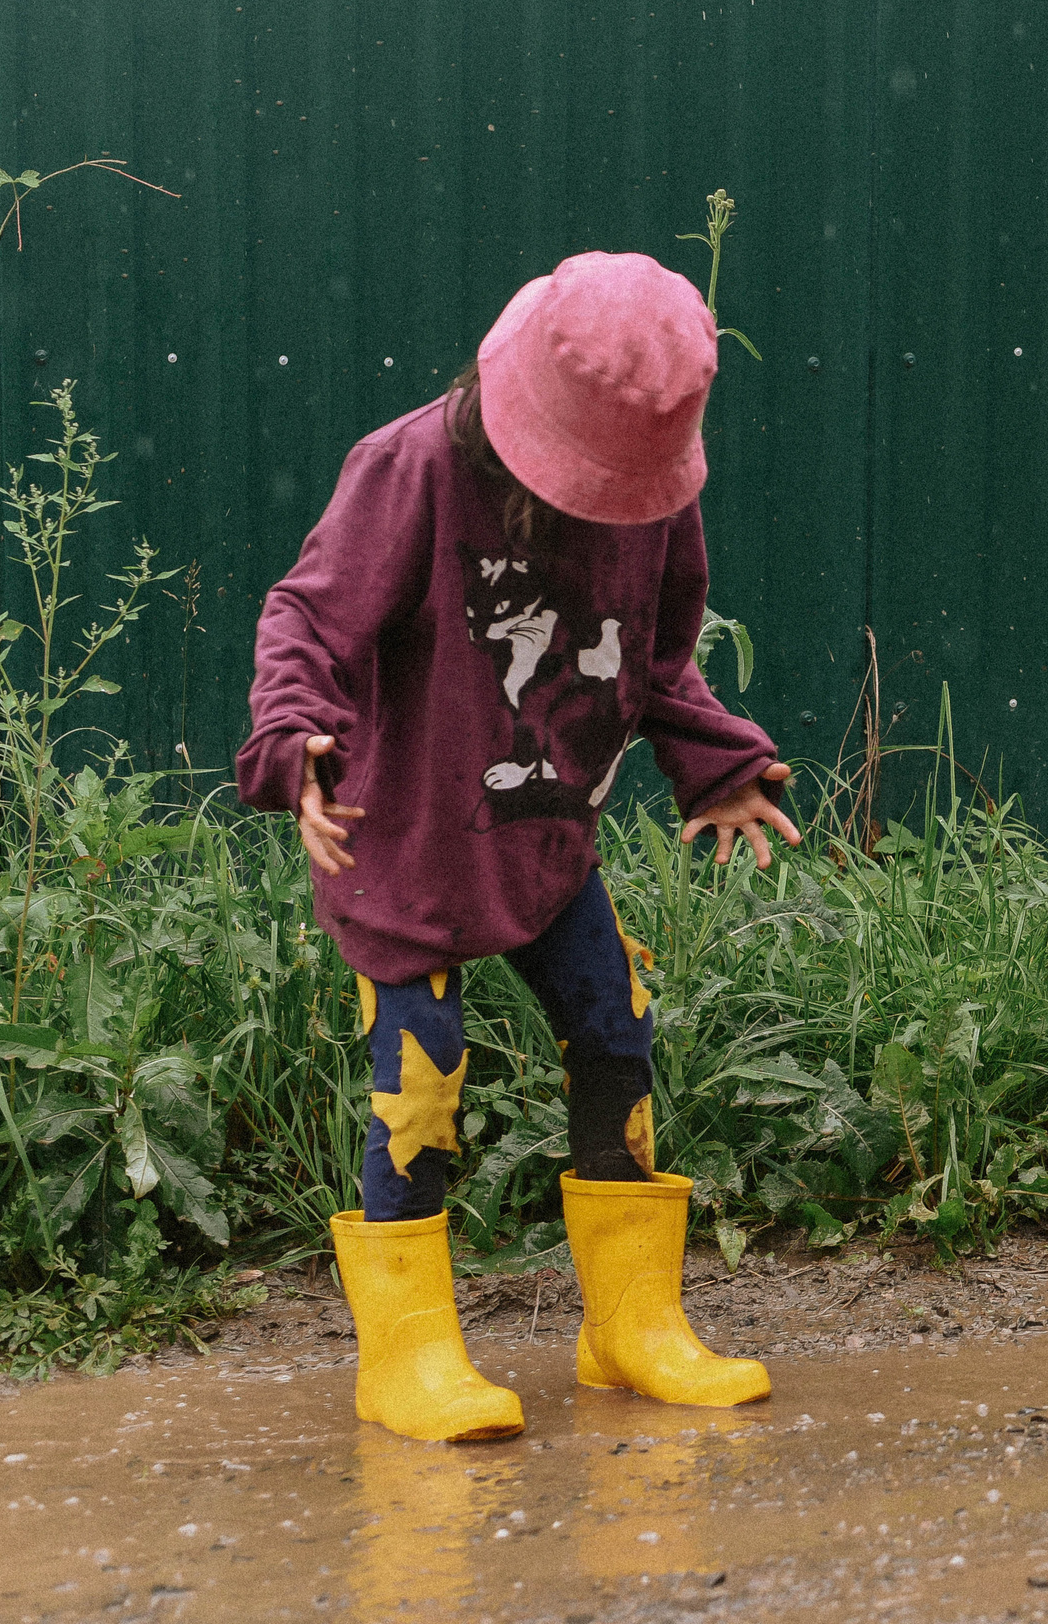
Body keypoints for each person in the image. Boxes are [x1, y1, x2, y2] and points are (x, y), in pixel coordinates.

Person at [237, 251, 800, 1442]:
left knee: (615, 1024)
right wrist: (293, 738)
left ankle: (629, 1326)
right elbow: (308, 616)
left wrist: (720, 763)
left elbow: (650, 659)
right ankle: (408, 1353)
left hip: (548, 839)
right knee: (420, 1076)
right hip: (402, 845)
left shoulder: (656, 500)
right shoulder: (411, 469)